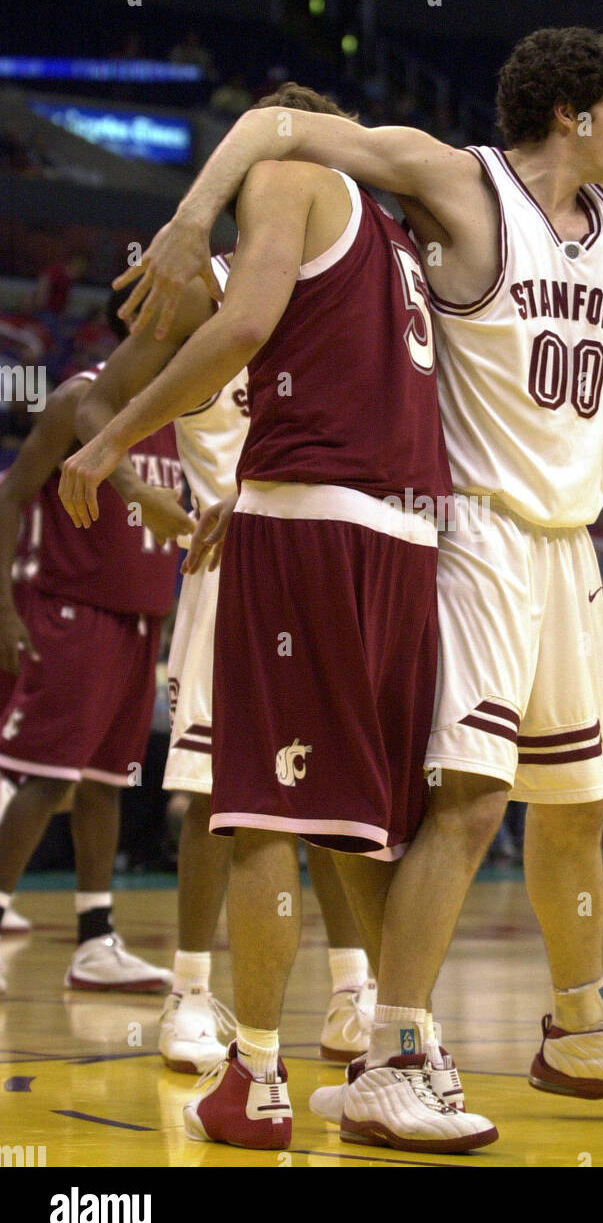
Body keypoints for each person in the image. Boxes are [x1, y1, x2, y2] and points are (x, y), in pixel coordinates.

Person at [73, 0, 603, 1150]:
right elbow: (277, 125)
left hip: (567, 543)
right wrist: (196, 216)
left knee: (571, 804)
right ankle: (393, 1044)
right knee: (467, 802)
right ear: (574, 110)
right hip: (466, 527)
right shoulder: (460, 184)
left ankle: (579, 1025)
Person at [59, 87, 487, 1152]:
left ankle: (252, 1077)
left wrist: (112, 449)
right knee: (358, 821)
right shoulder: (396, 230)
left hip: (306, 521)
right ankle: (400, 1048)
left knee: (254, 816)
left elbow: (245, 325)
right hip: (404, 537)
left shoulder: (286, 181)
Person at [73, 96, 383, 1073]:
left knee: (332, 793)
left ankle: (354, 990)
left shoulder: (342, 285)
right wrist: (144, 492)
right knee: (216, 793)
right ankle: (188, 994)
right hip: (231, 567)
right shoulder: (205, 287)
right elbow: (93, 399)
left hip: (324, 554)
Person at [0, 311, 191, 995]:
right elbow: (12, 494)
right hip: (74, 609)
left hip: (140, 621)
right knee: (45, 776)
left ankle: (94, 940)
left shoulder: (179, 410)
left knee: (108, 784)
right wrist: (3, 610)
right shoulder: (79, 397)